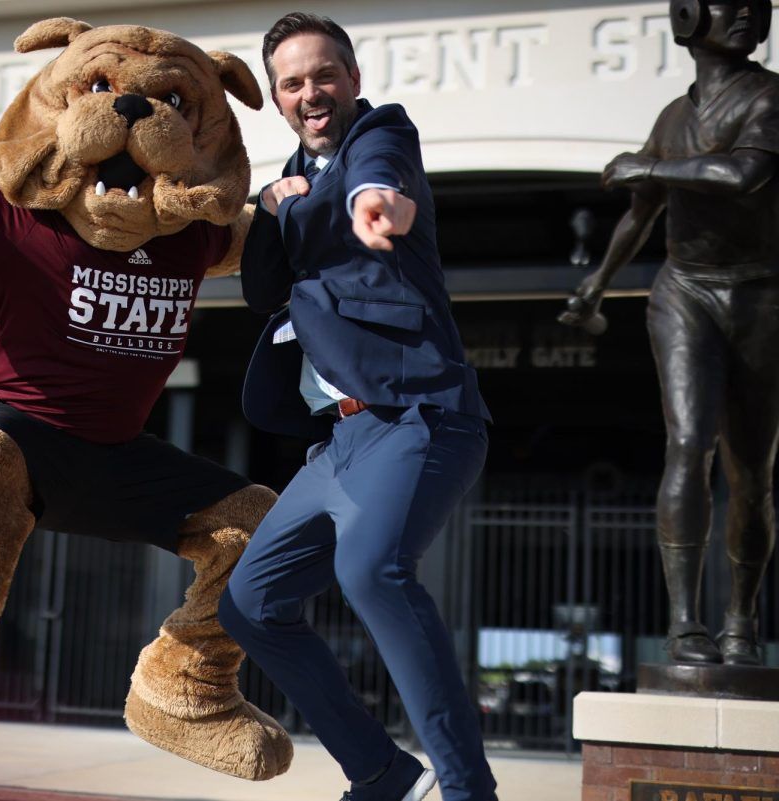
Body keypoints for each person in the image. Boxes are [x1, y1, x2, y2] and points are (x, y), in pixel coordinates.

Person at [218, 12, 496, 801]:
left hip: (417, 416)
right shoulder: (290, 186)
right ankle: (379, 770)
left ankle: (469, 789)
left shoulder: (382, 134)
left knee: (371, 569)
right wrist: (271, 208)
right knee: (250, 604)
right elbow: (263, 291)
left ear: (354, 81)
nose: (312, 92)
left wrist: (377, 199)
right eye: (293, 82)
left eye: (324, 75)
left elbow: (381, 168)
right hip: (336, 446)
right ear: (276, 98)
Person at [559, 0, 778, 666]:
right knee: (687, 443)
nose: (743, 16)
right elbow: (640, 214)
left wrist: (647, 167)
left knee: (751, 473)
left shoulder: (770, 98)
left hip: (761, 293)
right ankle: (685, 623)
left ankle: (741, 616)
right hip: (685, 289)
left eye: (754, 7)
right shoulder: (673, 118)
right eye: (727, 4)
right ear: (689, 17)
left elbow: (743, 174)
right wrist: (598, 280)